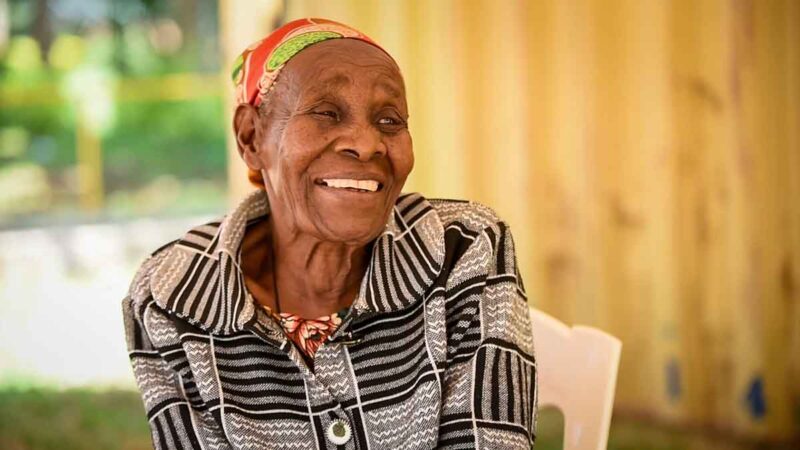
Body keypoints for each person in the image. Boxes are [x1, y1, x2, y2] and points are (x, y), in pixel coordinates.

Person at [123, 18, 537, 449]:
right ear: (251, 136)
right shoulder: (173, 293)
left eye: (389, 119)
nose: (366, 143)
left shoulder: (461, 247)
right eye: (326, 112)